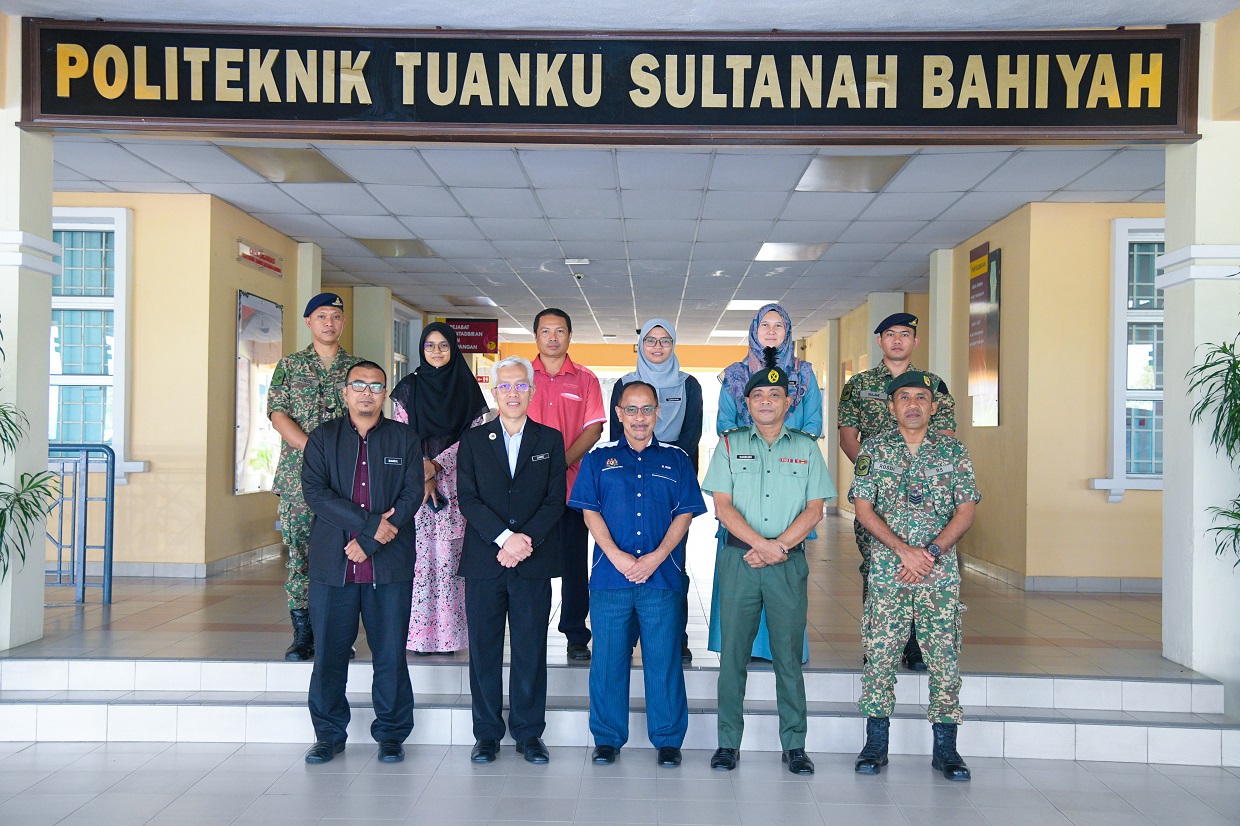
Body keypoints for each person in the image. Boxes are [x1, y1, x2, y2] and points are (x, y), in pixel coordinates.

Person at [702, 359, 834, 775]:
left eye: (774, 395)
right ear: (746, 403)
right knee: (732, 656)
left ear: (788, 402)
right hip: (739, 560)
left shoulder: (806, 448)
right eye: (757, 395)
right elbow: (722, 507)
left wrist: (778, 547)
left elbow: (814, 510)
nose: (765, 401)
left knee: (788, 656)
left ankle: (794, 745)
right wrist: (762, 546)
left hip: (787, 564)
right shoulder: (729, 445)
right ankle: (728, 743)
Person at [849, 370, 979, 781]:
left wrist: (932, 552)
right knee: (881, 655)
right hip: (889, 572)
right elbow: (863, 509)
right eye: (903, 397)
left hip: (938, 575)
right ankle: (875, 745)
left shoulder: (953, 451)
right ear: (891, 407)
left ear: (933, 407)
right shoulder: (874, 449)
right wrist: (904, 551)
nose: (912, 404)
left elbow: (966, 510)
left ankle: (947, 749)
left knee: (943, 659)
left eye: (921, 397)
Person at [572, 381, 707, 768]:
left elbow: (685, 513)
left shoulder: (677, 460)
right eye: (630, 409)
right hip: (610, 578)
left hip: (661, 579)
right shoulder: (598, 459)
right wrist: (615, 556)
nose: (639, 417)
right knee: (608, 661)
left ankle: (667, 740)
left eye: (647, 409)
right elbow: (589, 511)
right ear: (618, 413)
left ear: (657, 412)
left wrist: (657, 557)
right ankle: (607, 739)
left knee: (663, 660)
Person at [299, 361, 423, 765]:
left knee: (390, 655)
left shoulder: (404, 438)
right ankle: (328, 735)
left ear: (385, 393)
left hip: (389, 566)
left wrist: (369, 541)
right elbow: (316, 494)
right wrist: (370, 526)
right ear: (345, 392)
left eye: (375, 386)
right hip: (333, 565)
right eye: (358, 385)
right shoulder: (323, 438)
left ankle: (391, 734)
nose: (366, 392)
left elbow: (411, 494)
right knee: (329, 655)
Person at [457, 356, 567, 765]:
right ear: (494, 392)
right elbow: (468, 498)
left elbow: (555, 500)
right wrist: (505, 539)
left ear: (532, 391)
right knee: (484, 650)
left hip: (532, 562)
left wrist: (524, 541)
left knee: (530, 649)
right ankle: (486, 734)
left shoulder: (549, 440)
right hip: (485, 561)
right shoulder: (473, 441)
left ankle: (528, 733)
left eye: (521, 385)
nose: (513, 393)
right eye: (505, 386)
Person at [838, 312, 956, 671]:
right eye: (890, 334)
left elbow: (946, 438)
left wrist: (913, 475)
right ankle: (878, 643)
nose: (898, 341)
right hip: (876, 498)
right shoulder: (859, 384)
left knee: (924, 565)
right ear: (880, 341)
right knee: (876, 567)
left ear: (915, 341)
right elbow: (848, 438)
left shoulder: (934, 385)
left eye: (905, 334)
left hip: (927, 500)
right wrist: (878, 478)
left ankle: (917, 645)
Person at [708, 303, 822, 664]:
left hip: (789, 480)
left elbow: (813, 424)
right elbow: (724, 424)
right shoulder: (734, 374)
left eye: (778, 325)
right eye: (765, 325)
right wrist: (756, 441)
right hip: (744, 476)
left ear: (788, 332)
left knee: (784, 576)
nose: (771, 331)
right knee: (739, 566)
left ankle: (781, 650)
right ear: (754, 330)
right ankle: (739, 647)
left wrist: (780, 441)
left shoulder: (804, 373)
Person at [268, 292, 363, 661]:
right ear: (309, 321)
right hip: (299, 480)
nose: (329, 323)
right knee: (302, 556)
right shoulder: (290, 366)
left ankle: (338, 635)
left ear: (343, 322)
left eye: (336, 316)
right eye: (322, 316)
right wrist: (315, 450)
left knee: (346, 555)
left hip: (348, 479)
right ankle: (303, 635)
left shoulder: (357, 369)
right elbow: (278, 415)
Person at [390, 322, 490, 656]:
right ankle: (417, 637)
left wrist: (436, 465)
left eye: (444, 345)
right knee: (418, 560)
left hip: (456, 484)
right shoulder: (407, 388)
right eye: (430, 345)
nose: (436, 351)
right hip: (413, 486)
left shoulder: (467, 389)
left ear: (454, 349)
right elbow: (401, 434)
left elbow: (473, 438)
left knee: (450, 559)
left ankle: (449, 637)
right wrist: (423, 469)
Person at [608, 318, 703, 663]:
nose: (658, 347)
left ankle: (675, 638)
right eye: (651, 340)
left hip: (670, 485)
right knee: (628, 558)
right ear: (641, 346)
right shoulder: (623, 384)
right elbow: (616, 437)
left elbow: (691, 437)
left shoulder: (688, 384)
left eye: (665, 340)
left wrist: (664, 470)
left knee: (671, 561)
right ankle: (628, 637)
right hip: (627, 483)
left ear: (673, 345)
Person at [527, 308, 605, 662]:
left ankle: (575, 635)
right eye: (546, 331)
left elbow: (594, 429)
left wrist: (557, 464)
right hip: (527, 488)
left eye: (560, 331)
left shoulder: (585, 379)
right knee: (530, 560)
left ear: (570, 336)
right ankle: (530, 631)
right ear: (536, 336)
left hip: (573, 488)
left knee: (574, 564)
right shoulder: (522, 376)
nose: (553, 337)